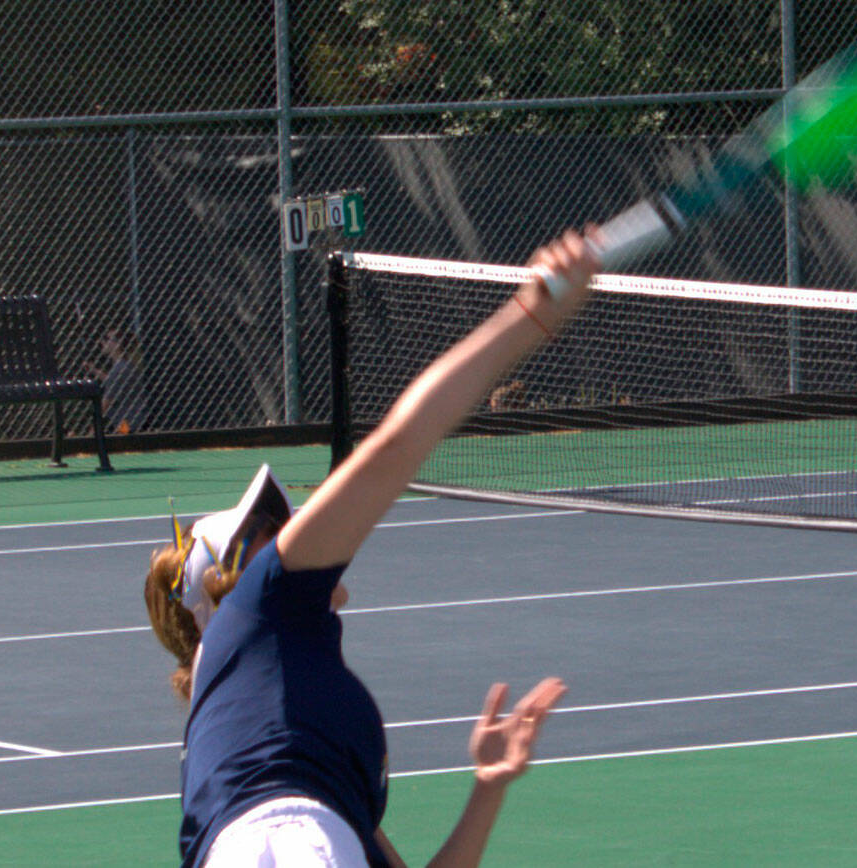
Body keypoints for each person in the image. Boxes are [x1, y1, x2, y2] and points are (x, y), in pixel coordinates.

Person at [143, 228, 600, 867]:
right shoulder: (260, 607)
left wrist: (488, 788)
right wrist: (529, 317)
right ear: (226, 592)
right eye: (269, 530)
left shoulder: (291, 727)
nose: (292, 525)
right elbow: (394, 447)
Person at [85, 326, 146, 433]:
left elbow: (106, 403)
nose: (102, 342)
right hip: (133, 419)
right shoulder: (124, 365)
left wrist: (91, 432)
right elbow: (113, 381)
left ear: (117, 344)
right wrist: (94, 370)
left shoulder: (119, 370)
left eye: (107, 339)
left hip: (127, 423)